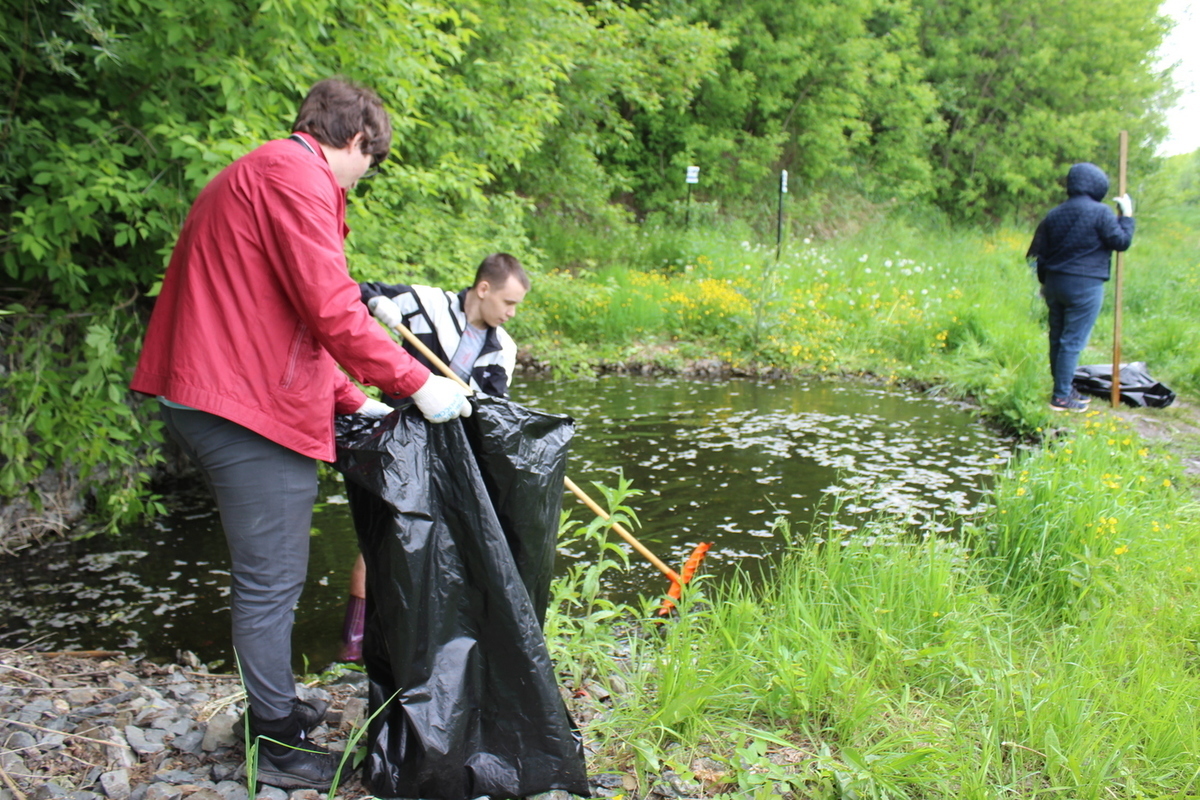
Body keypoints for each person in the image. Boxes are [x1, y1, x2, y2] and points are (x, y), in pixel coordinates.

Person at [129, 78, 473, 791]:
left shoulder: (265, 173)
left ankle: (275, 706)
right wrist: (414, 384)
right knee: (272, 580)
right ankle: (273, 741)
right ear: (355, 142)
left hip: (228, 389)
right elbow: (331, 307)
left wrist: (357, 400)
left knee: (271, 575)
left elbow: (284, 317)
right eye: (367, 166)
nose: (360, 182)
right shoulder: (295, 176)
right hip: (239, 407)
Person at [335, 253, 530, 661]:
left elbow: (493, 411)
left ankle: (415, 643)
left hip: (451, 458)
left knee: (434, 548)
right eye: (508, 302)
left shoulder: (502, 350)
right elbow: (350, 295)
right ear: (483, 289)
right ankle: (353, 644)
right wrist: (376, 304)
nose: (512, 313)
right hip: (395, 441)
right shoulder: (425, 304)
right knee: (378, 541)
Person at [1027, 162, 1135, 412]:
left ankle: (1064, 388)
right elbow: (1120, 242)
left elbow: (1039, 254)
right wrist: (1127, 218)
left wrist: (1045, 283)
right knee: (1072, 341)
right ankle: (1061, 397)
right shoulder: (1101, 212)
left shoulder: (1054, 213)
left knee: (1057, 338)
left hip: (1054, 283)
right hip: (1085, 284)